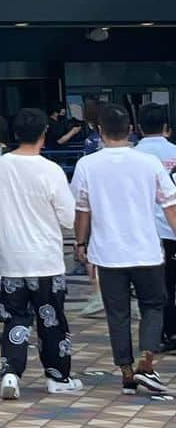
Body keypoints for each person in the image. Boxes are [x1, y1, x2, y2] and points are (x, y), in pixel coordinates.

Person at [71, 103, 176, 396]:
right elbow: (170, 207)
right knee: (153, 305)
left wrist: (80, 244)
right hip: (146, 249)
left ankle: (127, 373)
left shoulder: (87, 165)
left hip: (107, 253)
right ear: (130, 130)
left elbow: (82, 210)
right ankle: (147, 360)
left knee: (117, 314)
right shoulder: (148, 163)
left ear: (99, 130)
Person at [0, 107, 80, 400]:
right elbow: (67, 216)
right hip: (46, 259)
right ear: (43, 134)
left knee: (15, 318)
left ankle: (11, 372)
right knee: (51, 319)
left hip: (12, 259)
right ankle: (57, 376)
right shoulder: (50, 170)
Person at [134, 103, 176, 350]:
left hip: (143, 232)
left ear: (138, 128)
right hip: (171, 228)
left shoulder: (133, 156)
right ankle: (171, 331)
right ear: (166, 128)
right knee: (171, 284)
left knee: (149, 290)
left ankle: (153, 334)